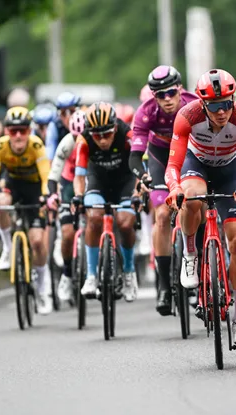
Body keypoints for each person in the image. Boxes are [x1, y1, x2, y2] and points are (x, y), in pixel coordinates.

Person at [165, 69, 236, 347]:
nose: (222, 112)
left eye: (227, 103)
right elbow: (172, 166)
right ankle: (191, 254)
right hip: (197, 166)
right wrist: (174, 188)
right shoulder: (187, 117)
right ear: (203, 104)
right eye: (216, 106)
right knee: (192, 195)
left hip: (231, 171)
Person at [129, 65, 198, 315]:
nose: (167, 99)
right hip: (161, 158)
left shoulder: (194, 105)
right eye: (160, 95)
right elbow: (135, 157)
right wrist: (144, 176)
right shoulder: (145, 113)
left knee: (194, 205)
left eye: (171, 92)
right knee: (161, 216)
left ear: (180, 89)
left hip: (191, 156)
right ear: (153, 96)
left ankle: (202, 266)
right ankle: (164, 286)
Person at [0, 107, 53, 314]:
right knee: (0, 201)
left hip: (34, 189)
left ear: (29, 131)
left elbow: (46, 176)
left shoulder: (37, 145)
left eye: (23, 130)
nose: (19, 135)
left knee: (38, 242)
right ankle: (7, 248)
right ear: (6, 132)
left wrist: (45, 196)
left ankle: (42, 290)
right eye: (13, 131)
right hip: (12, 185)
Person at [75, 102, 139, 302]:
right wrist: (78, 196)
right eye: (97, 135)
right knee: (93, 217)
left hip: (125, 181)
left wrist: (137, 193)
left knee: (126, 223)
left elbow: (139, 167)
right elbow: (79, 174)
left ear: (116, 127)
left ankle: (129, 272)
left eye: (107, 134)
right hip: (98, 181)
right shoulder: (84, 140)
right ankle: (92, 276)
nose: (102, 140)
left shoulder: (127, 135)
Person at [46, 109, 85, 302]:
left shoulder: (96, 140)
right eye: (76, 136)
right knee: (68, 232)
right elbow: (53, 175)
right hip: (69, 182)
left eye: (83, 136)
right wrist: (53, 194)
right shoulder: (67, 142)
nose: (79, 142)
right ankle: (68, 273)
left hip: (91, 179)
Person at [45, 92, 80, 160]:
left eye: (72, 111)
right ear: (59, 115)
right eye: (64, 113)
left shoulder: (85, 122)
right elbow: (50, 156)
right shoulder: (54, 127)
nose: (68, 117)